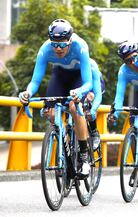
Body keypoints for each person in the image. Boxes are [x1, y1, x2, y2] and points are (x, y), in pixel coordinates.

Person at [18, 19, 92, 176]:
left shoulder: (81, 47)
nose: (58, 48)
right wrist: (28, 93)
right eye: (54, 44)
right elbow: (35, 81)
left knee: (73, 107)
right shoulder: (45, 49)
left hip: (79, 77)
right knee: (51, 113)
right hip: (60, 75)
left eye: (63, 44)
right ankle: (64, 150)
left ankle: (84, 157)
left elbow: (88, 83)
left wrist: (79, 92)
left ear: (70, 40)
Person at [83, 59, 105, 150]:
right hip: (80, 86)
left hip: (95, 84)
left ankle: (93, 131)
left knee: (89, 99)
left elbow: (97, 88)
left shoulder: (90, 64)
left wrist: (92, 94)